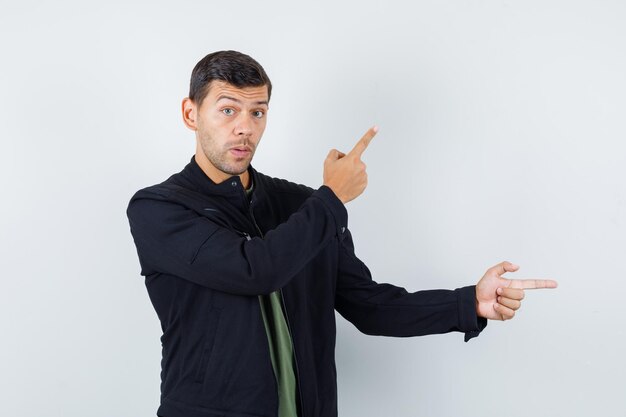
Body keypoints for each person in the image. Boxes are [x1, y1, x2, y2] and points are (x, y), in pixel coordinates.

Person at [126, 50, 558, 417]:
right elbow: (254, 271)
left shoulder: (301, 206)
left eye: (257, 112)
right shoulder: (159, 209)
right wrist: (332, 197)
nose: (245, 127)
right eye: (227, 109)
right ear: (190, 113)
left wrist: (469, 303)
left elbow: (369, 308)